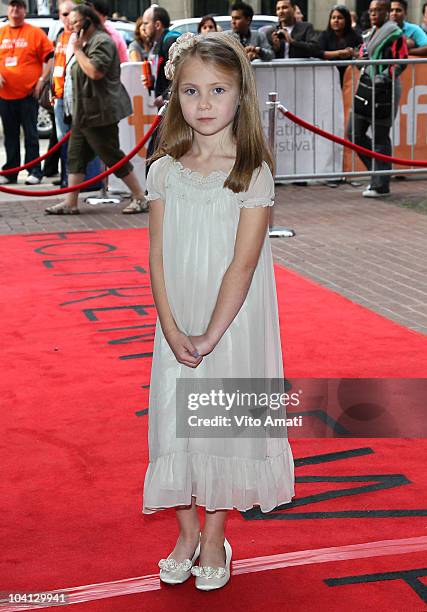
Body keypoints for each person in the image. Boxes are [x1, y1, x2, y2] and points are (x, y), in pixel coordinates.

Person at [142, 31, 295, 591]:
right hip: (177, 319)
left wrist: (209, 336)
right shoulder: (163, 170)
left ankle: (213, 536)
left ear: (240, 96)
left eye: (217, 90)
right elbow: (155, 256)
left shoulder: (252, 171)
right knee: (171, 425)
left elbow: (243, 265)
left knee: (219, 424)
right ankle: (183, 532)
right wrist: (171, 323)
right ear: (174, 97)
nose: (203, 104)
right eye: (190, 91)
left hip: (229, 323)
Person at [45, 4, 147, 214]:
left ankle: (139, 196)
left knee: (110, 154)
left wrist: (78, 50)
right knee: (75, 156)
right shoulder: (84, 41)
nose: (71, 26)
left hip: (99, 112)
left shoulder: (102, 42)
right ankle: (71, 202)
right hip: (82, 112)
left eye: (75, 21)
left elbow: (94, 71)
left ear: (88, 21)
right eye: (69, 21)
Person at [348, 0, 408, 197]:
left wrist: (385, 77)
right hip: (366, 87)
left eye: (378, 10)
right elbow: (363, 56)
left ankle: (381, 184)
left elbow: (401, 60)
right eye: (371, 10)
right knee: (354, 133)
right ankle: (378, 174)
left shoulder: (395, 33)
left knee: (381, 137)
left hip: (385, 90)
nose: (374, 14)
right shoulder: (369, 32)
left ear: (386, 11)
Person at [0, 0, 54, 185]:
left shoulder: (35, 33)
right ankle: (10, 171)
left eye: (19, 6)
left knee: (31, 135)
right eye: (12, 6)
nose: (15, 10)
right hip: (5, 95)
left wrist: (42, 80)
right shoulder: (1, 32)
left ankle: (34, 171)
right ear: (8, 10)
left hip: (28, 94)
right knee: (10, 135)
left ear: (24, 10)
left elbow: (49, 57)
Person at [140, 5, 180, 167]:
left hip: (172, 108)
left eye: (146, 23)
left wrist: (165, 96)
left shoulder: (170, 40)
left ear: (157, 25)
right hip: (168, 107)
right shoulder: (159, 43)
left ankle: (153, 190)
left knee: (155, 153)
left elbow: (180, 73)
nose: (142, 27)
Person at [318, 5, 363, 87]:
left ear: (347, 20)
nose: (336, 20)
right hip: (328, 78)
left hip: (350, 79)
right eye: (333, 17)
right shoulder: (324, 36)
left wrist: (354, 54)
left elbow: (362, 54)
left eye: (340, 18)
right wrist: (339, 53)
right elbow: (320, 53)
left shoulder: (355, 36)